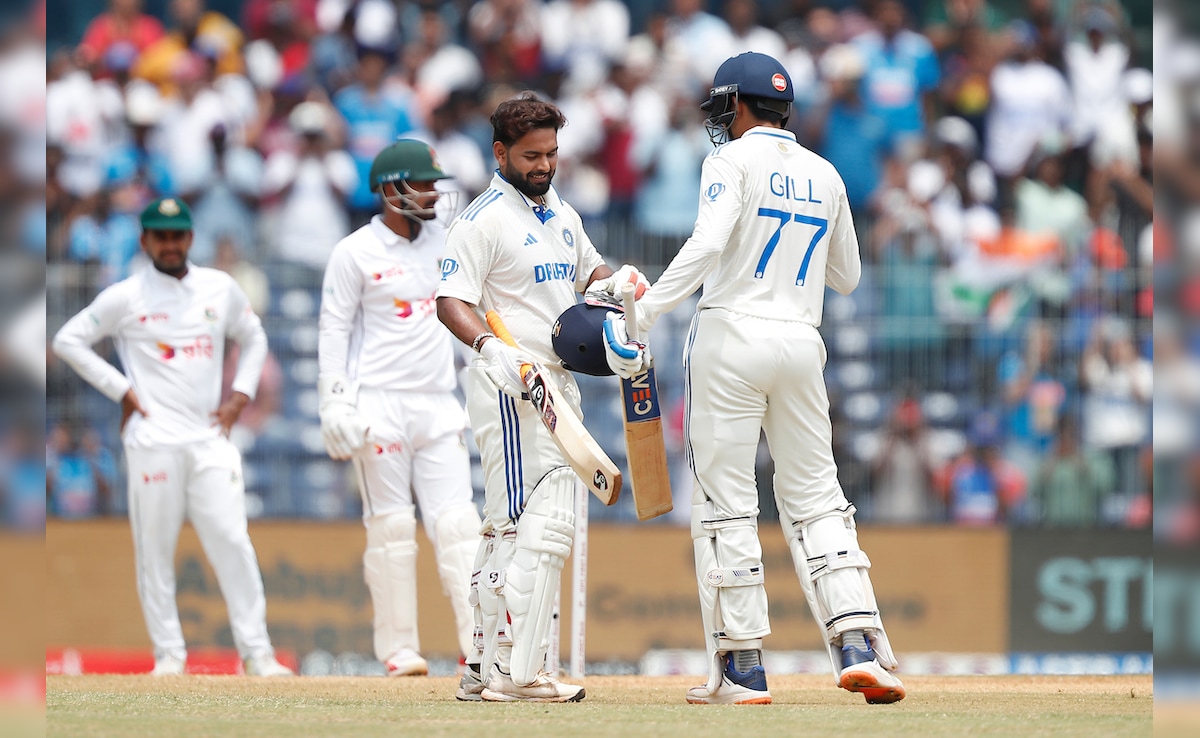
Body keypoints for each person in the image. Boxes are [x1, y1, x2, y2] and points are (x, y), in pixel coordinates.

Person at [622, 52, 905, 705]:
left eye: (725, 106)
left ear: (740, 107)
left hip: (731, 336)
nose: (721, 118)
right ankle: (859, 644)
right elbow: (848, 277)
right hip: (802, 341)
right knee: (817, 498)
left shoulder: (730, 160)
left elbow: (709, 241)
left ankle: (741, 668)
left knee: (726, 503)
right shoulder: (825, 172)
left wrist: (649, 307)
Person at [435, 92, 646, 703]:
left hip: (560, 383)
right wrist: (489, 350)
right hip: (512, 382)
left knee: (507, 528)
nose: (544, 165)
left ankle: (485, 667)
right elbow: (451, 300)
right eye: (531, 156)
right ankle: (520, 674)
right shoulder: (481, 219)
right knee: (540, 523)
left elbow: (590, 278)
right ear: (499, 152)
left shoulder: (560, 212)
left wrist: (622, 286)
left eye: (552, 153)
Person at [51, 197, 293, 677]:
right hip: (153, 440)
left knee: (231, 540)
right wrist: (121, 390)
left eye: (177, 235)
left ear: (190, 238)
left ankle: (257, 653)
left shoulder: (218, 288)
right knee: (154, 548)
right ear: (144, 241)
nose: (169, 244)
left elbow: (254, 337)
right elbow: (68, 340)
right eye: (160, 236)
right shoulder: (126, 295)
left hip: (208, 438)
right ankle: (169, 655)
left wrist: (241, 395)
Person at [316, 139, 480, 678]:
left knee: (458, 524)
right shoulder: (354, 252)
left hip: (438, 402)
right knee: (390, 527)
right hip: (378, 404)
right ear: (392, 190)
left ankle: (478, 642)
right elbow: (333, 331)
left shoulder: (448, 242)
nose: (435, 192)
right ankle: (399, 649)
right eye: (424, 183)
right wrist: (334, 402)